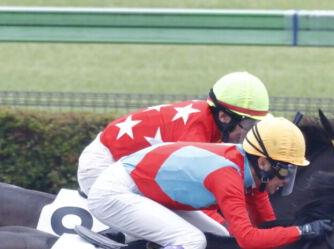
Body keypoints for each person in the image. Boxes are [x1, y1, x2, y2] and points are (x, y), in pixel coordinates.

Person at [86, 116, 334, 249]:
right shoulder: (228, 175)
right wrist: (301, 232)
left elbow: (267, 224)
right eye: (285, 170)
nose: (286, 180)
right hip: (116, 193)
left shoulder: (251, 172)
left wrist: (300, 234)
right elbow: (248, 239)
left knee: (221, 238)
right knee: (193, 241)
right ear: (263, 162)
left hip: (146, 190)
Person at [77, 71, 271, 195]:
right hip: (103, 166)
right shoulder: (196, 133)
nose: (247, 134)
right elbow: (190, 189)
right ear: (224, 117)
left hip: (117, 164)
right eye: (247, 125)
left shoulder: (209, 122)